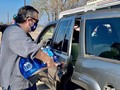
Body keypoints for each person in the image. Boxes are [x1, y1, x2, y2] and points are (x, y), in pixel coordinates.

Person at [0, 5, 56, 90]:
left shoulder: (21, 32)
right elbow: (31, 49)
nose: (36, 24)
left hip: (24, 81)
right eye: (36, 21)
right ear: (29, 20)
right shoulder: (14, 32)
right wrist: (49, 60)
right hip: (16, 85)